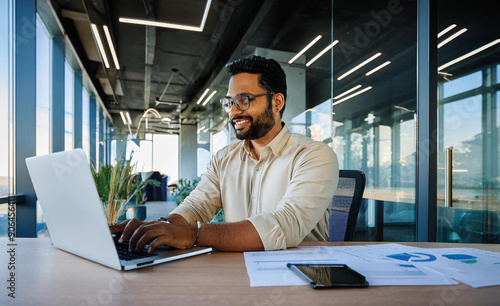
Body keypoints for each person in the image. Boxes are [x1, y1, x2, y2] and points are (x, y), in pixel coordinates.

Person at [111, 55, 339, 252]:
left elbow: (282, 226)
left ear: (277, 102)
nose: (234, 112)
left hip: (301, 280)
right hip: (237, 272)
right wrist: (161, 228)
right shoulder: (223, 159)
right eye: (229, 102)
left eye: (244, 100)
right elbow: (196, 207)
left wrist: (193, 235)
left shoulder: (314, 156)